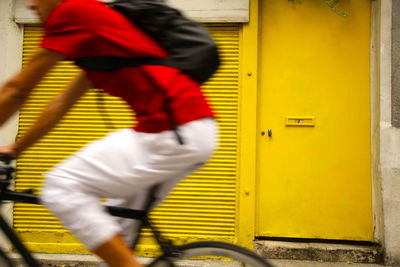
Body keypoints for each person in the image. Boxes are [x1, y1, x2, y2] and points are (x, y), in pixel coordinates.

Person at [0, 0, 217, 266]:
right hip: (189, 130)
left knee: (61, 186)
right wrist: (17, 148)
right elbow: (60, 104)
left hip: (171, 131)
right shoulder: (96, 36)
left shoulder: (71, 13)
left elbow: (17, 89)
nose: (30, 4)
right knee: (116, 234)